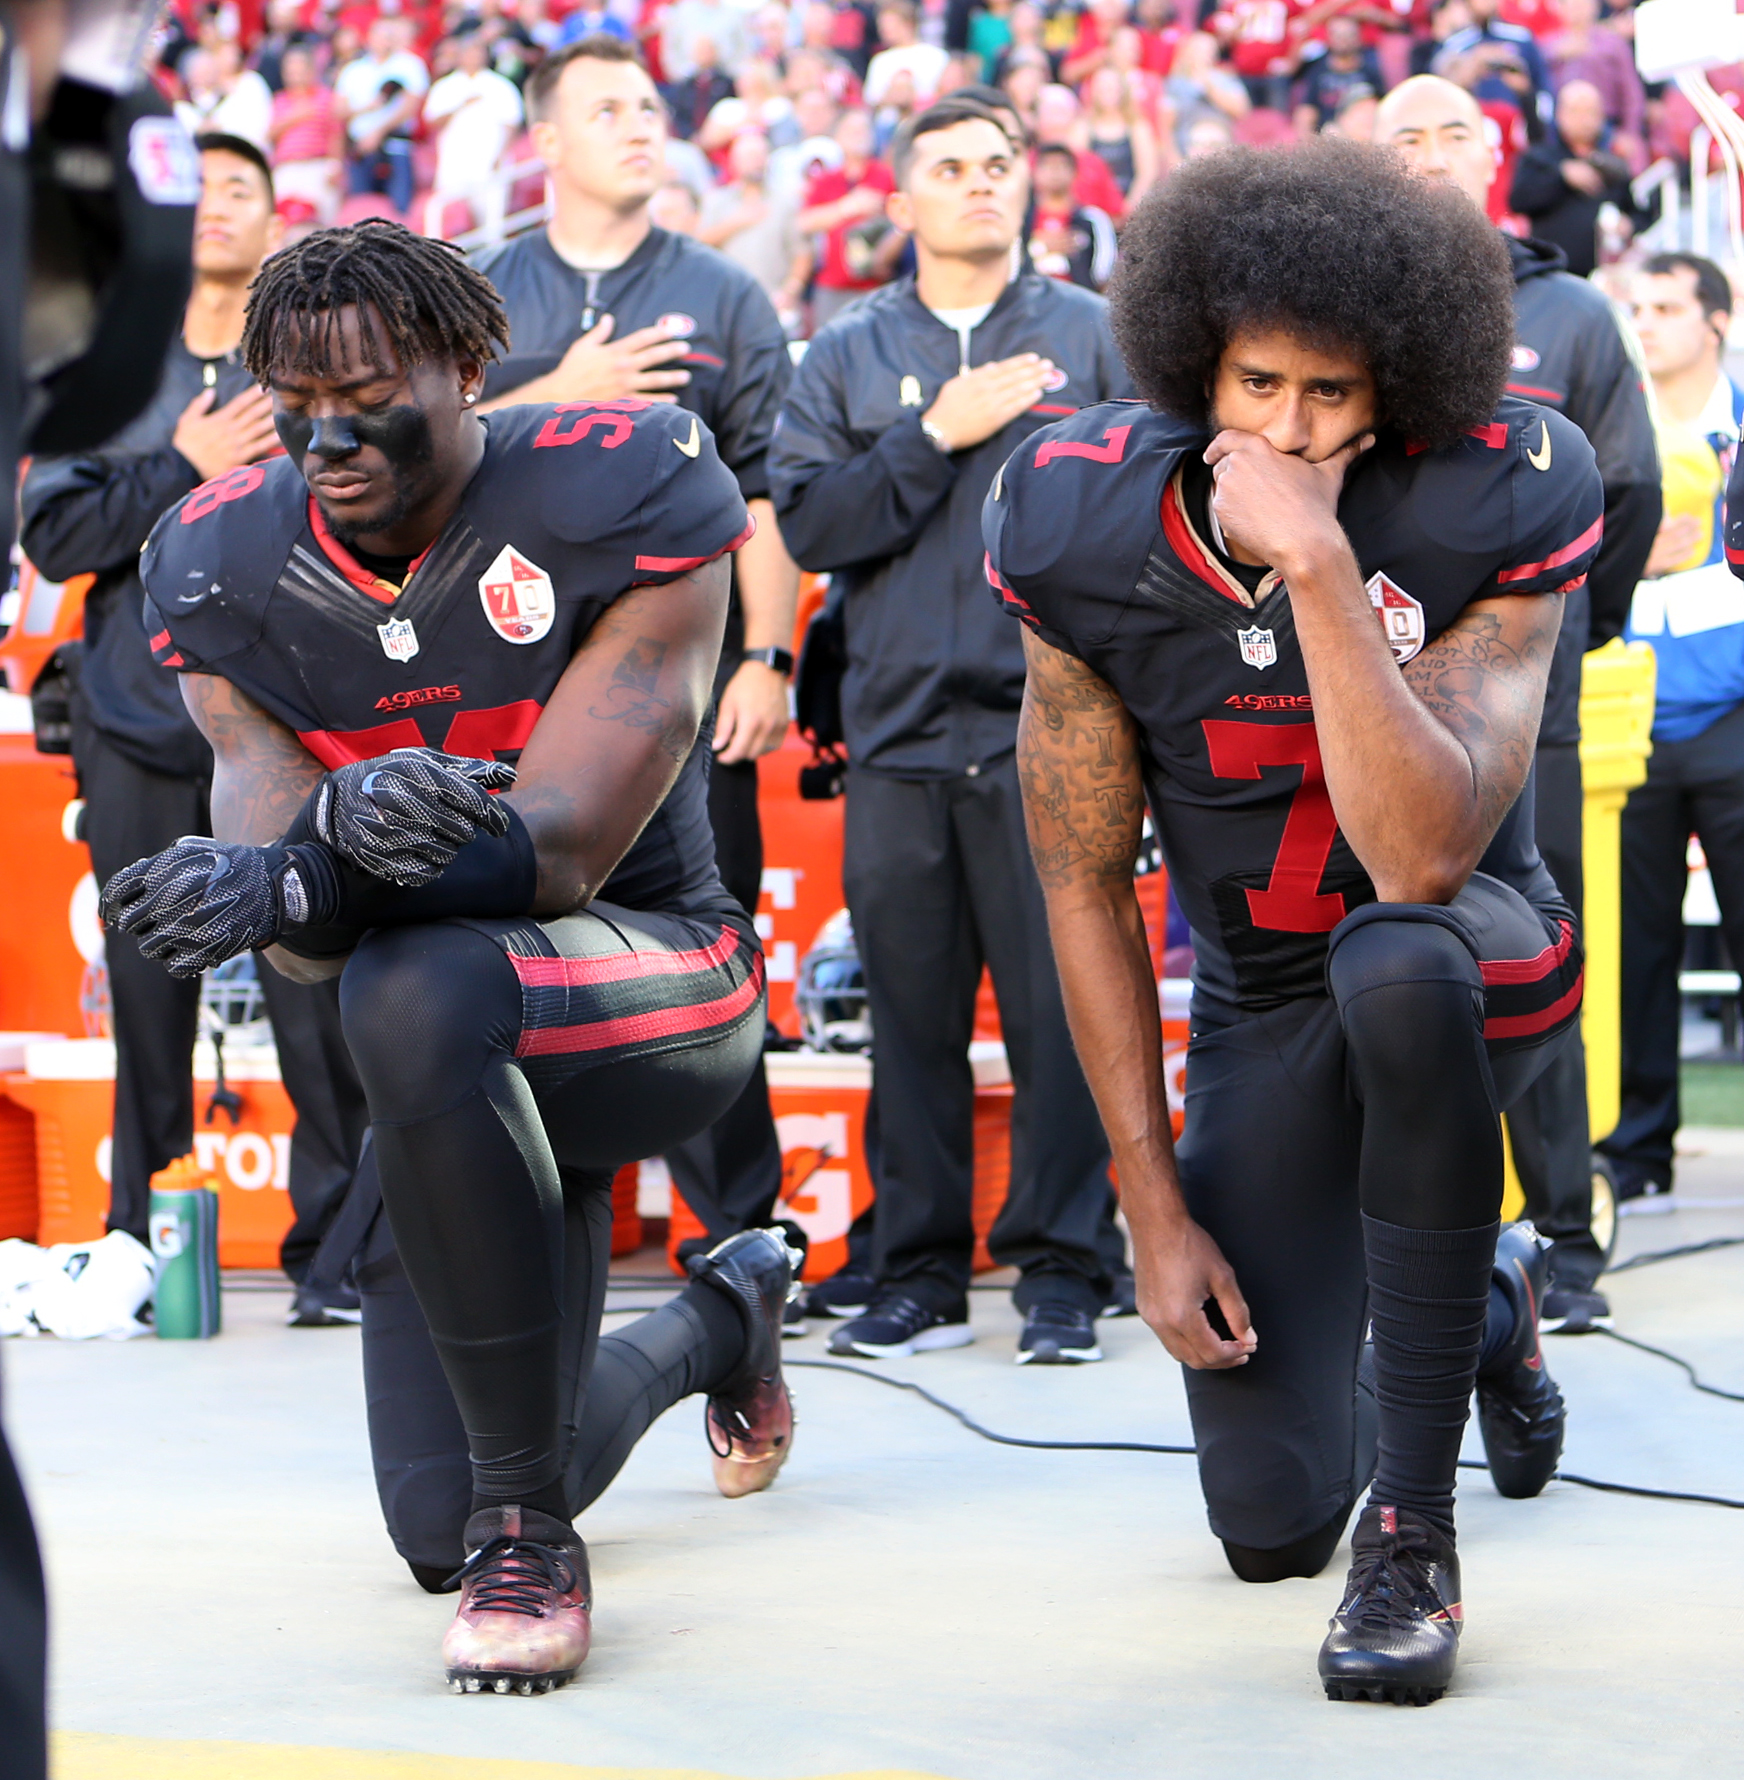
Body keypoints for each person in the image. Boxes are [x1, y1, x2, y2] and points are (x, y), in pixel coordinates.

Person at [104, 220, 801, 1692]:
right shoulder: (219, 564)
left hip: (654, 978)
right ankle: (723, 1312)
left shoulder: (626, 483)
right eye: (295, 395)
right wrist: (280, 883)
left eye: (368, 392)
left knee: (413, 983)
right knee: (431, 1520)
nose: (327, 433)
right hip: (443, 1057)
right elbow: (302, 955)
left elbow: (556, 852)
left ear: (469, 367)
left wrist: (315, 861)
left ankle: (532, 1534)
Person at [989, 139, 1589, 1701]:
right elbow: (1079, 878)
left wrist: (1321, 568)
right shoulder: (1077, 514)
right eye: (1260, 385)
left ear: (1397, 387)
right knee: (1262, 1527)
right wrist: (1151, 1203)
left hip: (1477, 956)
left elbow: (1421, 856)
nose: (1292, 429)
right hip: (1257, 1003)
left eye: (1334, 395)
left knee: (1394, 959)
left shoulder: (1496, 485)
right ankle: (1491, 1296)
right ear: (1198, 364)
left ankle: (1415, 1537)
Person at [772, 98, 1134, 1366]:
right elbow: (810, 525)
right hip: (899, 742)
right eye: (950, 169)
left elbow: (1155, 520)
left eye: (999, 166)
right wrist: (935, 434)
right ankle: (917, 1271)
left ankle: (1068, 1272)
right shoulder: (845, 354)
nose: (981, 185)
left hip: (1061, 739)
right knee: (909, 1024)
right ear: (902, 199)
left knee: (1065, 1020)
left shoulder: (1098, 337)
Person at [470, 38, 803, 1298]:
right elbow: (425, 464)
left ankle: (741, 1247)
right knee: (508, 964)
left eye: (650, 106)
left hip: (677, 702)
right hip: (506, 706)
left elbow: (761, 495)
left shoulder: (722, 295)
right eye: (606, 108)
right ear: (545, 142)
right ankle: (530, 1241)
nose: (639, 125)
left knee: (706, 960)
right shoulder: (481, 287)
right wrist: (565, 390)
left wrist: (765, 657)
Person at [20, 134, 373, 1320]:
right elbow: (57, 538)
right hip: (132, 717)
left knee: (313, 990)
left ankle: (336, 1254)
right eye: (201, 190)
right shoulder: (108, 373)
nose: (219, 207)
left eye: (243, 189)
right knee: (147, 990)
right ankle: (136, 1245)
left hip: (291, 722)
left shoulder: (319, 368)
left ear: (277, 222)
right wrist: (179, 461)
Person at [1377, 72, 1662, 1333]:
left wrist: (1527, 622)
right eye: (1405, 138)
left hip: (1524, 696)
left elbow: (1631, 496)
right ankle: (1403, 1225)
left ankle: (1563, 1231)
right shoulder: (1341, 309)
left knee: (1534, 944)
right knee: (1392, 959)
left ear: (1496, 155)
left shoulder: (1574, 315)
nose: (1431, 155)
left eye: (1454, 134)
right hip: (1361, 694)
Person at [1616, 257, 1744, 1211]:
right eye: (1639, 307)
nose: (1646, 324)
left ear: (1718, 320)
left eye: (1666, 308)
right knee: (1634, 948)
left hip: (1735, 719)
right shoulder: (1609, 419)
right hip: (1627, 723)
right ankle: (1636, 1150)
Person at [1509, 79, 1634, 279]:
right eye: (1576, 111)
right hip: (1551, 273)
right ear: (1560, 114)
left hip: (1603, 276)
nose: (1584, 119)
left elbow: (1637, 211)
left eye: (1591, 111)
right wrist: (1561, 176)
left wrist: (1628, 224)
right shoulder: (1540, 157)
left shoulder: (1613, 164)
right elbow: (1519, 201)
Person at [422, 32, 524, 242]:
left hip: (489, 161)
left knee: (491, 223)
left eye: (478, 52)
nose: (473, 57)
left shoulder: (500, 85)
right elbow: (431, 121)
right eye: (468, 52)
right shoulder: (446, 86)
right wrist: (460, 105)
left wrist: (501, 155)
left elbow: (512, 123)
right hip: (455, 161)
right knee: (449, 214)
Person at [336, 17, 429, 215]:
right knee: (361, 208)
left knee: (400, 208)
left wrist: (378, 132)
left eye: (389, 36)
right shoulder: (353, 70)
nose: (384, 41)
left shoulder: (409, 64)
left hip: (396, 143)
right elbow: (338, 111)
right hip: (360, 148)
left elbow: (410, 105)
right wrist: (369, 107)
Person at [269, 45, 344, 225]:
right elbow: (271, 134)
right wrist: (294, 117)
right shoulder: (280, 100)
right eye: (291, 72)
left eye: (300, 71)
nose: (295, 76)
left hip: (317, 167)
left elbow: (335, 133)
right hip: (287, 168)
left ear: (311, 71)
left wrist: (335, 166)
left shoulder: (325, 97)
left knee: (322, 224)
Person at [1027, 143, 1117, 288]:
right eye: (1047, 166)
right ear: (1034, 172)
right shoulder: (1022, 219)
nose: (1054, 172)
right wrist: (1039, 247)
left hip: (1081, 303)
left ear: (1075, 172)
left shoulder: (1092, 219)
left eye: (1062, 166)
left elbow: (1105, 271)